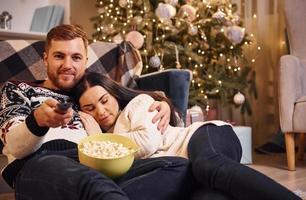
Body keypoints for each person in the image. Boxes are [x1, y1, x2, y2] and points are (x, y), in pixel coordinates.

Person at [0, 24, 194, 200]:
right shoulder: (19, 89)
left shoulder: (89, 94)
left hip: (103, 165)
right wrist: (38, 121)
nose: (68, 65)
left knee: (178, 167)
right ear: (45, 59)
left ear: (85, 61)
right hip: (43, 165)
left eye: (76, 57)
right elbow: (14, 146)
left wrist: (163, 103)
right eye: (59, 56)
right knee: (93, 184)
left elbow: (128, 98)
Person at [73, 72, 302, 200]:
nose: (101, 112)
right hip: (185, 171)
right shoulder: (91, 138)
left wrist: (100, 141)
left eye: (104, 101)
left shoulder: (136, 105)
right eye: (90, 109)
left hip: (203, 137)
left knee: (208, 165)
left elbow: (149, 142)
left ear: (114, 94)